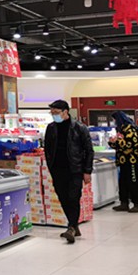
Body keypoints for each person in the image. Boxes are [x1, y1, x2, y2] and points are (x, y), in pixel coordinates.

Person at [44, 99, 94, 243]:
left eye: (56, 112)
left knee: (73, 197)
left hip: (75, 169)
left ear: (65, 112)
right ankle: (74, 226)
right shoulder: (51, 128)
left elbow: (89, 151)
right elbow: (47, 149)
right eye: (52, 113)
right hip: (57, 169)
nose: (53, 115)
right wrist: (50, 167)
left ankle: (71, 227)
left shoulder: (79, 128)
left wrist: (87, 171)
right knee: (63, 197)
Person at [109, 111, 138, 213]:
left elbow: (129, 145)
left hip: (133, 160)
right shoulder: (121, 130)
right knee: (123, 182)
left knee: (134, 182)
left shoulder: (130, 129)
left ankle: (137, 204)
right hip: (123, 161)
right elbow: (118, 146)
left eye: (114, 119)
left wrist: (117, 141)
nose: (114, 122)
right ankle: (124, 203)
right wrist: (112, 142)